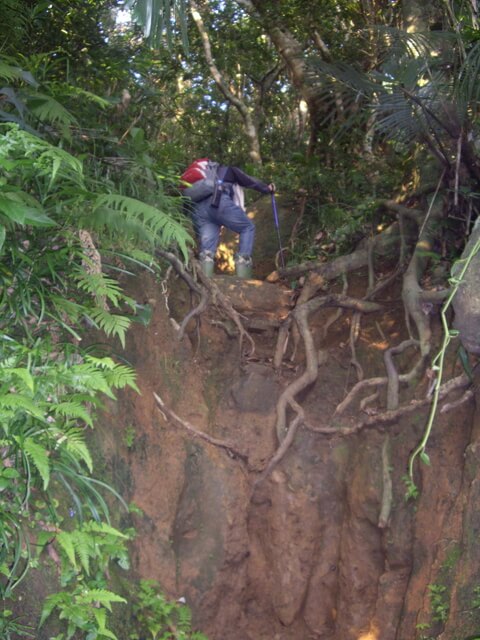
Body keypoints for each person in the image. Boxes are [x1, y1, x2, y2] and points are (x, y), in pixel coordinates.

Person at [183, 161, 275, 278]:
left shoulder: (201, 182)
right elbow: (248, 181)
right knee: (247, 227)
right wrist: (267, 188)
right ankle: (243, 277)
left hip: (198, 210)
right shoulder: (228, 170)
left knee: (207, 252)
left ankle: (206, 280)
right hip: (218, 202)